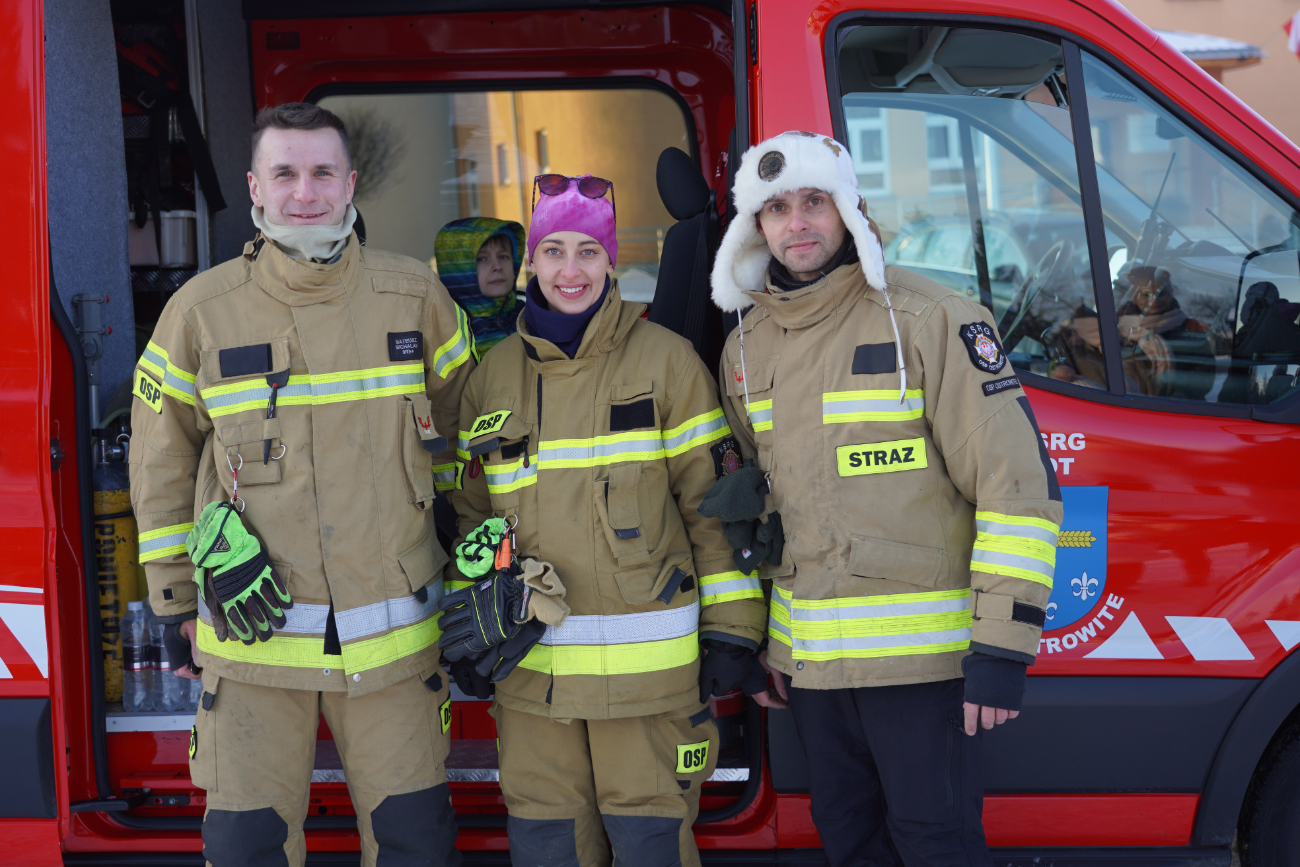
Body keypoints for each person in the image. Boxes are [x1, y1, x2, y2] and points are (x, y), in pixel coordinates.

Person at [129, 102, 474, 867]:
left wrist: (471, 550)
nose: (305, 192)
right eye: (285, 173)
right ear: (256, 186)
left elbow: (468, 431)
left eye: (323, 172)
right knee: (246, 846)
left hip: (394, 645)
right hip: (252, 642)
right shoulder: (199, 313)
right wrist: (175, 599)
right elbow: (161, 465)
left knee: (416, 843)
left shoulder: (414, 296)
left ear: (350, 183)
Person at [709, 131, 1063, 867]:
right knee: (849, 841)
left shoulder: (931, 318)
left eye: (814, 201)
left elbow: (1016, 490)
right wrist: (764, 641)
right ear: (756, 224)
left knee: (936, 845)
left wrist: (1002, 649)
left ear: (848, 208)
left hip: (925, 672)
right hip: (811, 672)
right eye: (777, 208)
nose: (797, 223)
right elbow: (758, 513)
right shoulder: (746, 347)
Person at [444, 173, 767, 867]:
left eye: (588, 252)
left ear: (611, 261)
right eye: (553, 250)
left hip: (647, 685)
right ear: (532, 262)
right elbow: (472, 520)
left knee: (651, 845)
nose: (571, 270)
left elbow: (712, 507)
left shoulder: (667, 362)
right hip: (531, 681)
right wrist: (468, 624)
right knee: (548, 848)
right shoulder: (491, 377)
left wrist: (733, 628)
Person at [435, 216, 528, 355]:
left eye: (503, 256)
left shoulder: (530, 317)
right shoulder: (446, 332)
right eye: (482, 259)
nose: (497, 266)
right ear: (458, 268)